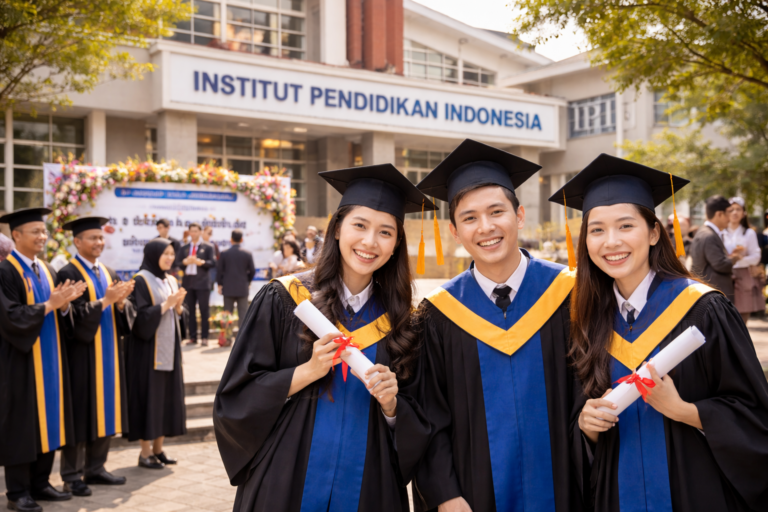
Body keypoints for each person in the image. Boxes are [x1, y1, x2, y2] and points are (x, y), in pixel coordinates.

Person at [551, 154, 768, 512]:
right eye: (597, 230)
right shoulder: (587, 320)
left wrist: (683, 410)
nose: (611, 242)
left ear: (654, 232)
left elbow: (754, 415)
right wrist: (587, 425)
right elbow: (575, 418)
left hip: (696, 491)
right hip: (616, 495)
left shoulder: (702, 309)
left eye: (625, 226)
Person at [213, 164, 435, 511]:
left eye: (385, 232)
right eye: (359, 225)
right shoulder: (285, 298)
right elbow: (235, 397)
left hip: (368, 485)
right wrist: (308, 370)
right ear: (336, 229)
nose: (369, 242)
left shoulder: (406, 320)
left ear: (396, 244)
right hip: (287, 477)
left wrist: (393, 406)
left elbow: (423, 418)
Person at [408, 139, 584, 512]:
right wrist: (445, 495)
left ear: (519, 216)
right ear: (455, 231)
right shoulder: (439, 314)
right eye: (469, 218)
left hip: (565, 489)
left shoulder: (572, 295)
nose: (485, 227)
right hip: (471, 498)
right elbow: (427, 415)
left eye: (496, 212)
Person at [0, 207, 87, 512]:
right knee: (22, 424)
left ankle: (41, 482)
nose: (42, 236)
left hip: (50, 360)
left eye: (44, 231)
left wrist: (65, 307)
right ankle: (17, 491)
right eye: (35, 231)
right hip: (21, 362)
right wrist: (50, 304)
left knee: (50, 420)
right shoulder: (5, 271)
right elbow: (9, 317)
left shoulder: (48, 269)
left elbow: (61, 314)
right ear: (16, 236)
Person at [56, 217, 134, 497]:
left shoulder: (108, 270)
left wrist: (123, 303)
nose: (99, 242)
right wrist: (106, 301)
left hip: (109, 354)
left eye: (101, 238)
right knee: (79, 413)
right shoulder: (67, 272)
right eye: (92, 238)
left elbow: (121, 315)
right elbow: (70, 318)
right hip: (82, 355)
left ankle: (96, 468)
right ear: (77, 241)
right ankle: (71, 474)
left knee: (107, 409)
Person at [126, 238, 187, 469]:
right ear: (153, 254)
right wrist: (167, 304)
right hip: (147, 353)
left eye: (172, 253)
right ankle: (145, 453)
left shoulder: (171, 279)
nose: (170, 258)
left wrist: (179, 306)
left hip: (169, 351)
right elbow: (138, 319)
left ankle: (159, 449)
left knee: (165, 400)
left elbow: (178, 315)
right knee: (148, 399)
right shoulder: (140, 280)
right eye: (165, 253)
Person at [690, 195, 742, 301]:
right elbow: (720, 264)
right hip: (713, 296)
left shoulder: (706, 232)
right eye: (729, 212)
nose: (730, 217)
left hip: (710, 294)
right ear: (719, 214)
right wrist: (735, 258)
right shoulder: (708, 235)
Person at [723, 197, 764, 323]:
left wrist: (741, 259)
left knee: (743, 314)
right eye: (731, 209)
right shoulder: (720, 232)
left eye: (738, 209)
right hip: (725, 274)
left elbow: (756, 257)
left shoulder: (749, 233)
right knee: (724, 312)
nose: (734, 212)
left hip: (743, 275)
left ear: (743, 213)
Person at [178, 223, 216, 346]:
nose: (193, 234)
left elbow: (213, 262)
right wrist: (185, 261)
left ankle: (204, 337)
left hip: (203, 282)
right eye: (191, 231)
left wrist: (201, 262)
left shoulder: (208, 246)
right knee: (190, 310)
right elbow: (178, 263)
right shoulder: (184, 247)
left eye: (195, 231)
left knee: (204, 310)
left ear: (200, 232)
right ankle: (192, 336)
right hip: (188, 282)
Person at [217, 229, 255, 336]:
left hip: (228, 288)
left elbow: (219, 270)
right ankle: (242, 340)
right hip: (242, 287)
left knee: (227, 314)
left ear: (231, 240)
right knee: (243, 315)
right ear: (242, 239)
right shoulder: (247, 253)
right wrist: (247, 281)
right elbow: (252, 271)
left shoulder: (224, 253)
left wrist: (220, 284)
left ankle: (226, 338)